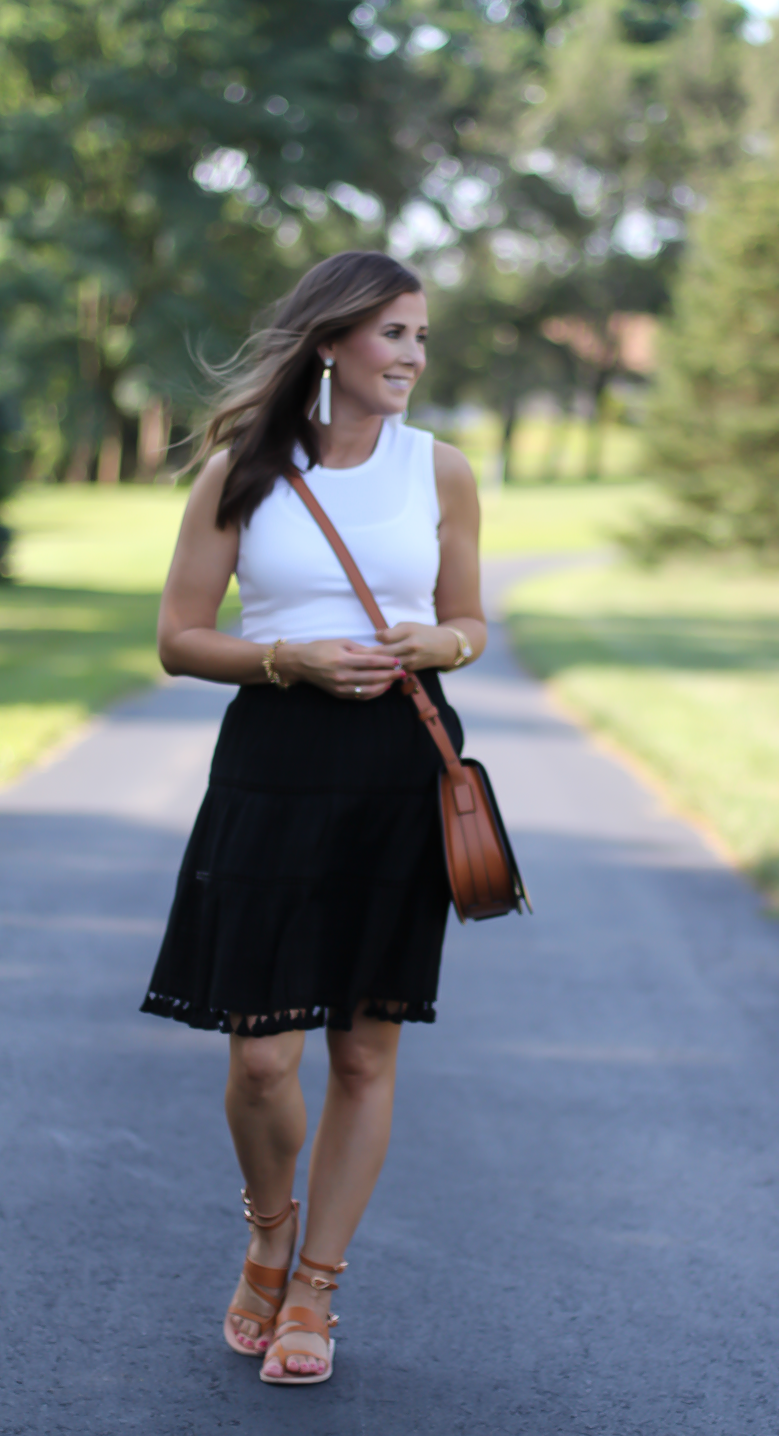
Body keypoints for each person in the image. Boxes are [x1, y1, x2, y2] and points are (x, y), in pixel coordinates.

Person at [139, 250, 485, 1385]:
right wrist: (285, 657)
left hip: (398, 764)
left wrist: (444, 642)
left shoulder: (442, 473)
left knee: (365, 1047)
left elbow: (469, 618)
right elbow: (181, 636)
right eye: (395, 335)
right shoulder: (242, 470)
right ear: (330, 341)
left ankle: (315, 1292)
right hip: (274, 764)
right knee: (259, 1060)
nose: (413, 359)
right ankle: (270, 1225)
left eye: (422, 338)